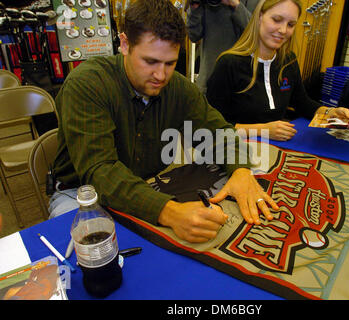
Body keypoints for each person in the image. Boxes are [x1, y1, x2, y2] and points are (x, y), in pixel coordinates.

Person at [50, 0, 278, 244]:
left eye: (170, 63)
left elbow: (220, 133)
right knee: (92, 261)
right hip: (81, 195)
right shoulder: (87, 84)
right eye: (150, 62)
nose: (161, 75)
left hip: (150, 186)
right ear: (125, 44)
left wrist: (241, 171)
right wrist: (168, 211)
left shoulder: (177, 86)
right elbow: (101, 172)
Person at [206, 0, 349, 142]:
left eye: (290, 24)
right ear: (259, 17)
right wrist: (262, 130)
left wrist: (330, 113)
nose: (283, 30)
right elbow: (212, 127)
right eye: (277, 20)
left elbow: (303, 103)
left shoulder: (288, 61)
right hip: (233, 150)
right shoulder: (229, 63)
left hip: (274, 149)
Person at [186, 0, 259, 93]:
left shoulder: (255, 2)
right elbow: (193, 35)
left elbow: (258, 35)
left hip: (243, 84)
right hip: (209, 82)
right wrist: (194, 7)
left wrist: (235, 4)